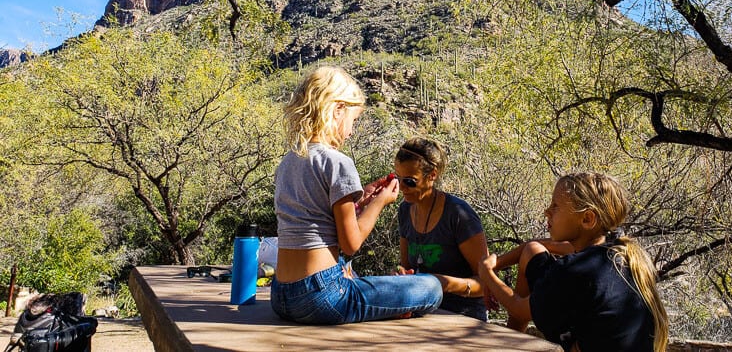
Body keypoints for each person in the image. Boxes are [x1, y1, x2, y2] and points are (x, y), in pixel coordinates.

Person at [270, 66, 443, 324]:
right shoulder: (337, 162)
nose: (351, 130)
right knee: (431, 287)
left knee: (354, 276)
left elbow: (315, 220)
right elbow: (350, 243)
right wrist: (380, 202)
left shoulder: (288, 162)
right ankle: (395, 307)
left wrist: (360, 201)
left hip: (281, 295)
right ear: (337, 110)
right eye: (354, 119)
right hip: (321, 296)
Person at [478, 172, 669, 352]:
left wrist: (486, 271)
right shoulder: (617, 251)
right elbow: (532, 247)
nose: (547, 212)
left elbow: (519, 309)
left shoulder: (577, 271)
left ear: (587, 218)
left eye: (555, 206)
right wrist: (499, 262)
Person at [394, 137, 490, 321]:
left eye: (410, 181)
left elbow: (486, 283)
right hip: (421, 311)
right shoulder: (405, 210)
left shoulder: (459, 215)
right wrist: (400, 275)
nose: (401, 187)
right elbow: (406, 267)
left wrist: (442, 283)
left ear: (432, 175)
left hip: (463, 315)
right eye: (397, 179)